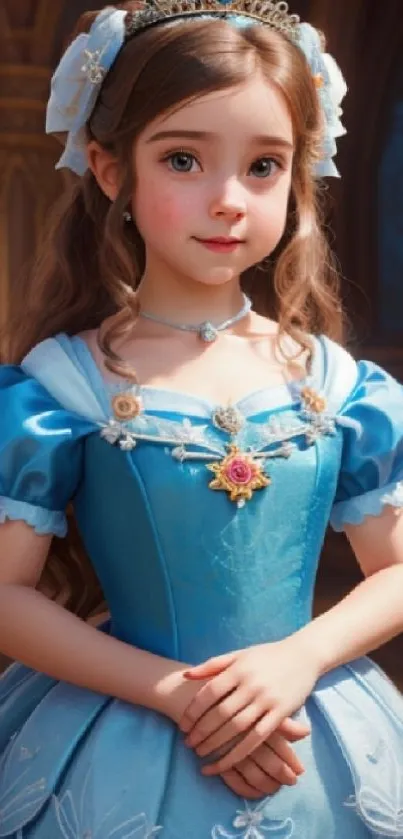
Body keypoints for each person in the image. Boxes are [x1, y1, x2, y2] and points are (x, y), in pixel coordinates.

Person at [0, 1, 403, 836]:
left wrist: (299, 658)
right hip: (123, 727)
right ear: (111, 172)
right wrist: (178, 694)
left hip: (309, 719)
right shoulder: (59, 386)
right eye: (183, 159)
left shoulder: (336, 383)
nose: (228, 199)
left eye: (263, 166)